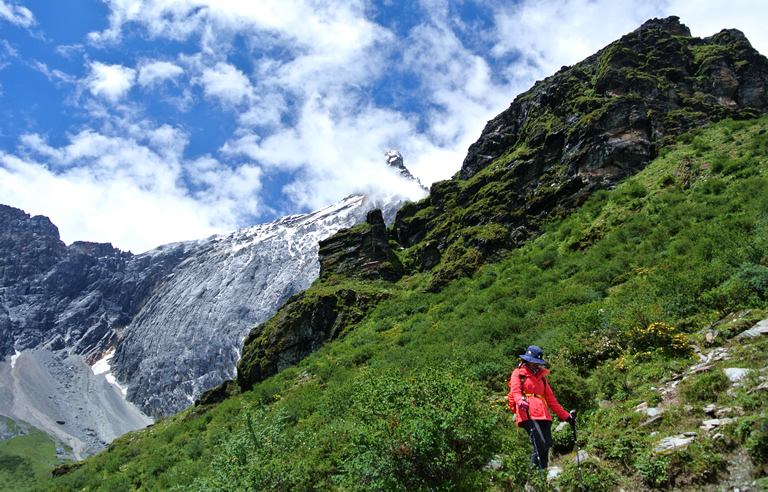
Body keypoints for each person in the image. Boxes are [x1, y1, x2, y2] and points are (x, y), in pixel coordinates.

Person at [508, 345, 575, 471]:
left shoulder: (542, 377)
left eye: (538, 362)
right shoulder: (518, 373)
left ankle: (542, 478)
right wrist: (520, 402)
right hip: (527, 412)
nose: (536, 364)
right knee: (540, 444)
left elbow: (551, 400)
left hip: (543, 414)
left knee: (547, 444)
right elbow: (515, 391)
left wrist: (567, 417)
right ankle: (533, 481)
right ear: (527, 359)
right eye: (534, 361)